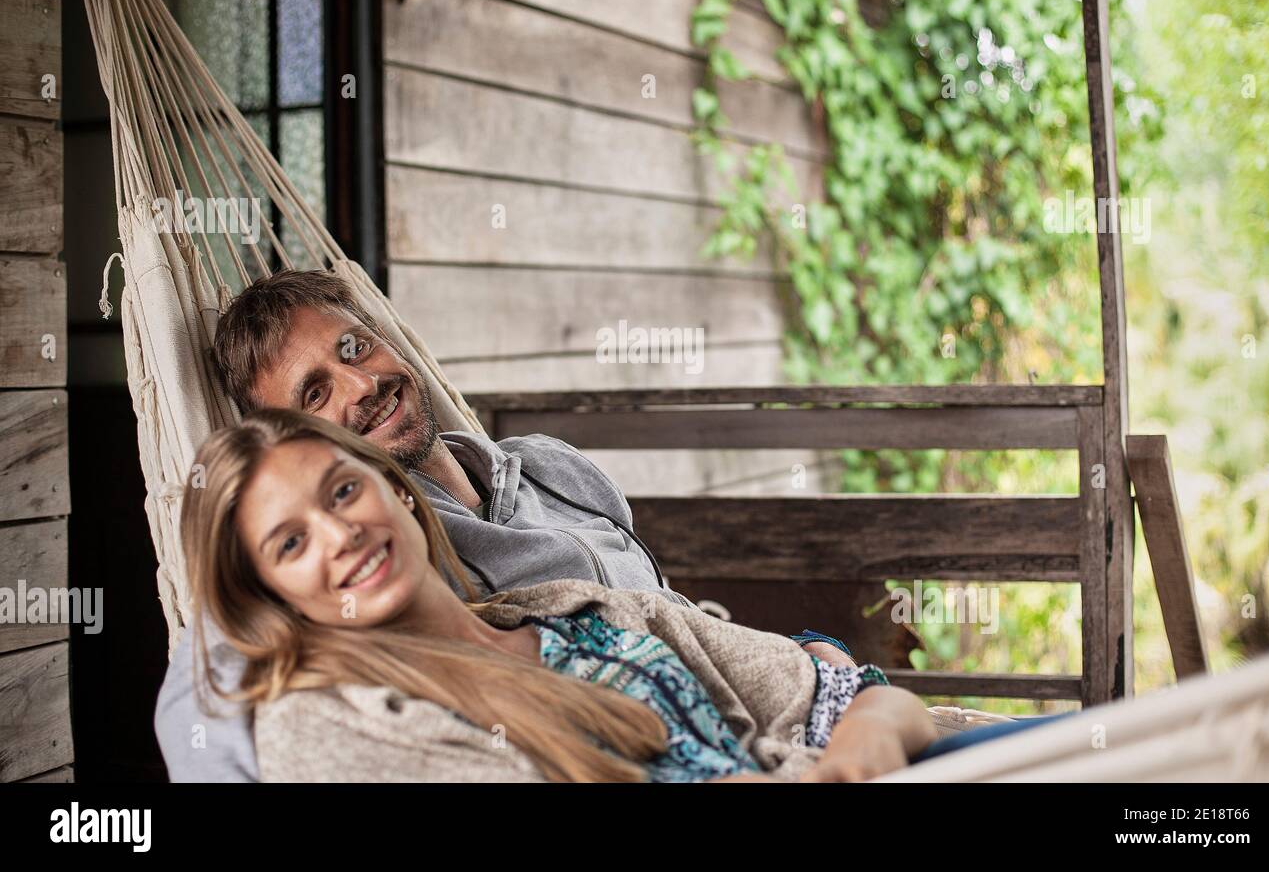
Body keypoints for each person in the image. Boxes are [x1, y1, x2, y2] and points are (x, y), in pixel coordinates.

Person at [155, 269, 856, 781]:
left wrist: (804, 662)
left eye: (355, 349)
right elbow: (210, 677)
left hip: (736, 688)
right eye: (317, 393)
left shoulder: (549, 465)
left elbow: (660, 606)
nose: (362, 384)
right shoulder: (391, 562)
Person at [183, 409, 941, 782]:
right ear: (271, 596)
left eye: (344, 490)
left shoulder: (580, 609)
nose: (338, 533)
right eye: (291, 542)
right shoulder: (319, 722)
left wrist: (861, 742)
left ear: (401, 493)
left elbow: (865, 694)